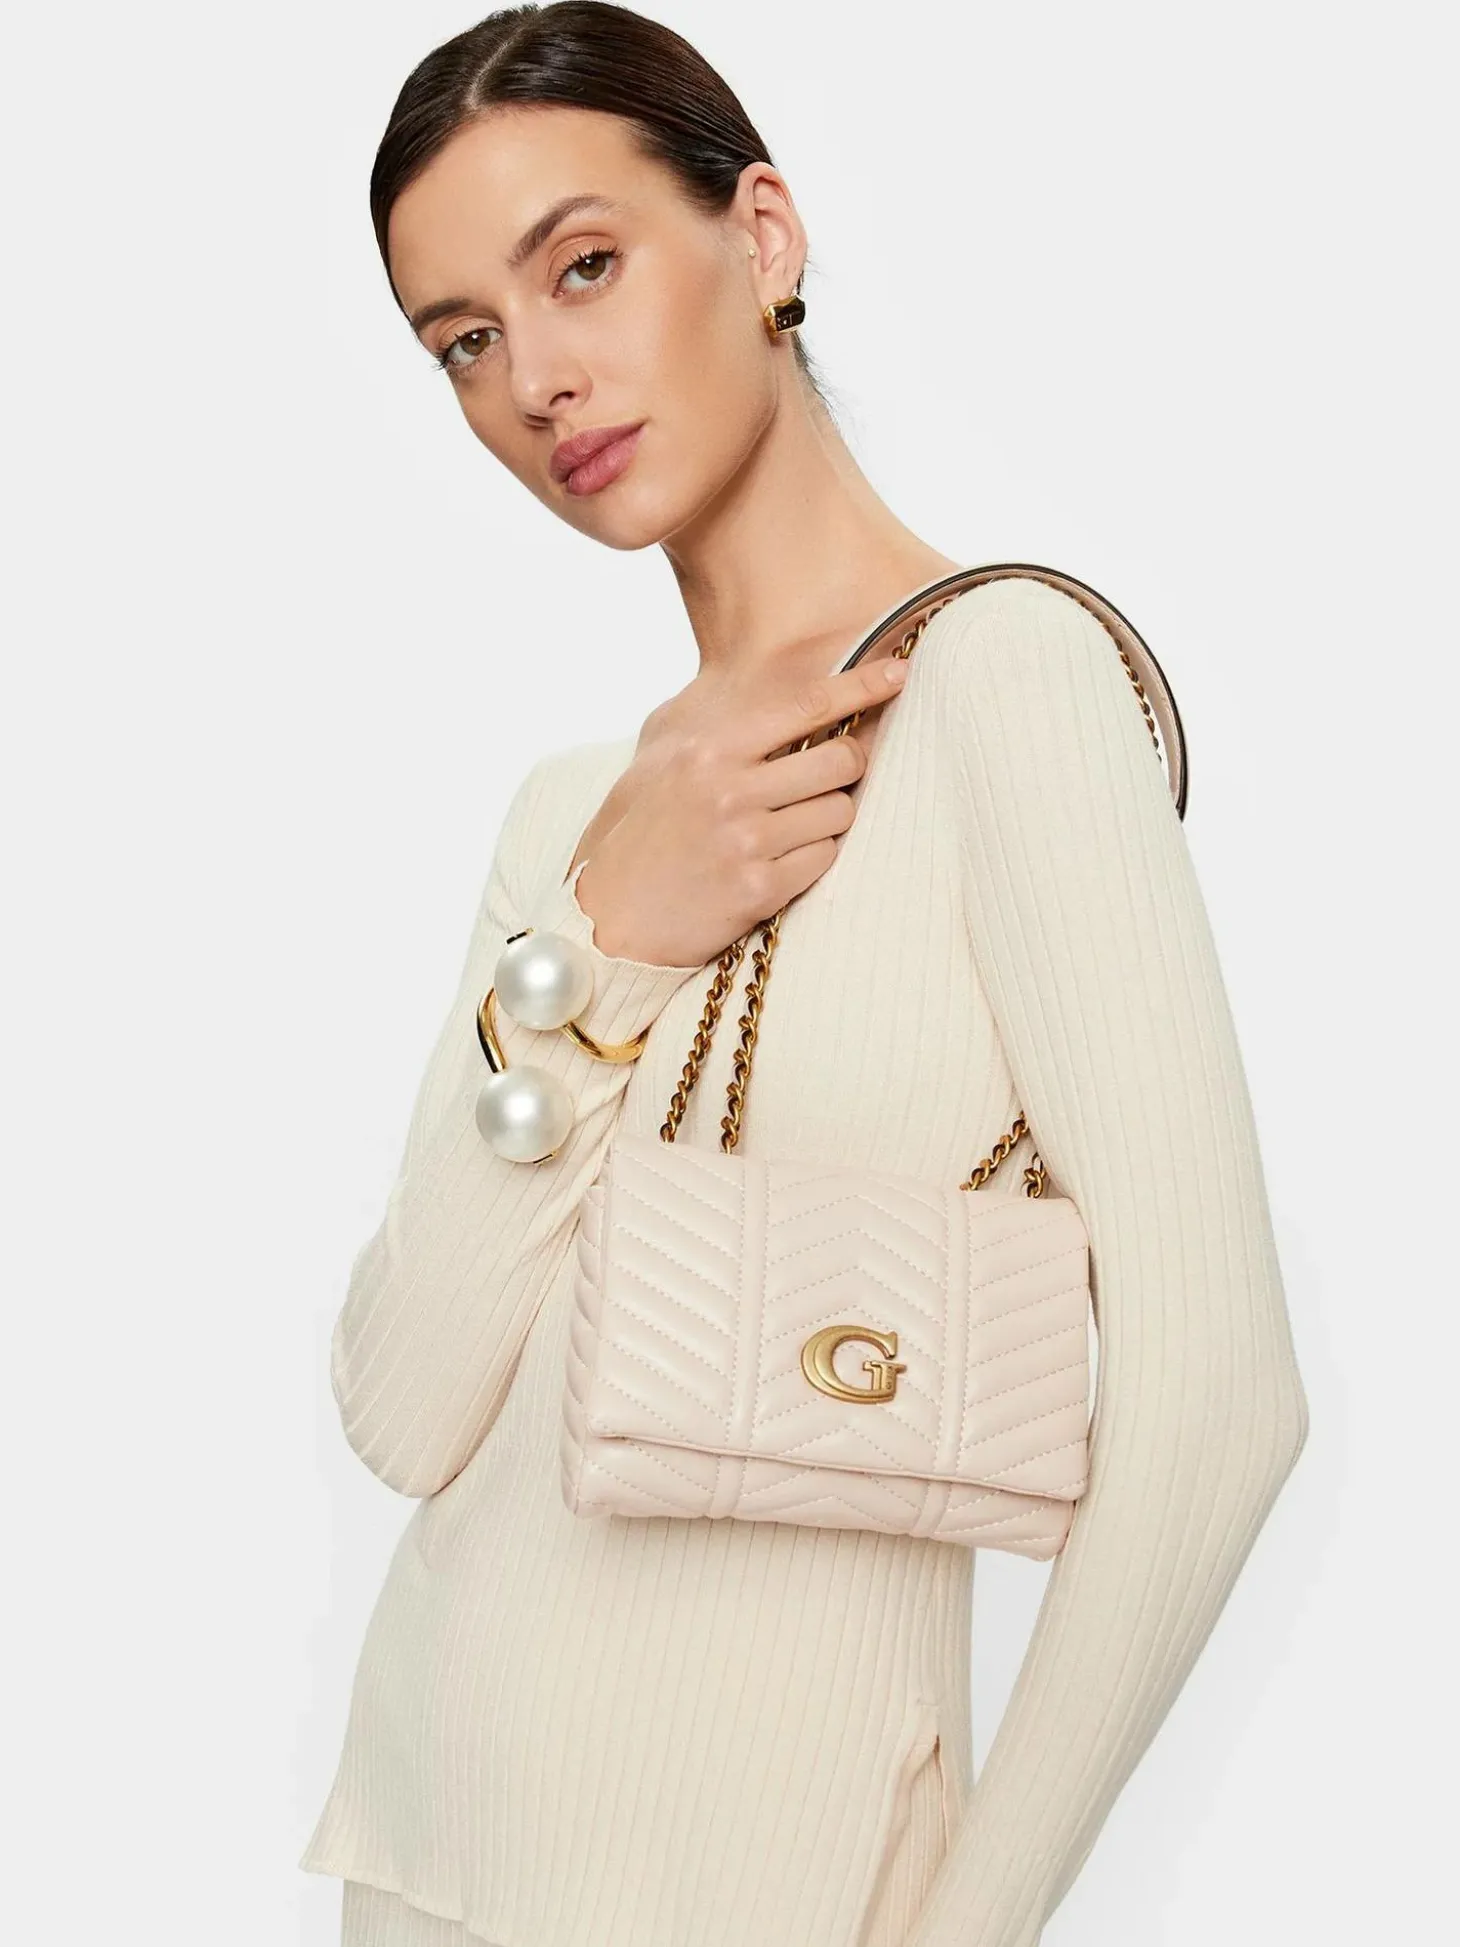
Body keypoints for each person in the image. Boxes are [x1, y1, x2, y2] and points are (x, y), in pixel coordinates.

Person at [298, 6, 1311, 1945]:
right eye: (463, 343)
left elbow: (1219, 1399)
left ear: (760, 237)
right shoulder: (580, 810)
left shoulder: (1005, 684)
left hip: (785, 1891)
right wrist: (605, 935)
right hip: (426, 1858)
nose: (537, 381)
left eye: (581, 266)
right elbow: (405, 1406)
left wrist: (971, 1925)